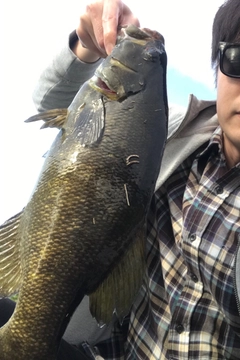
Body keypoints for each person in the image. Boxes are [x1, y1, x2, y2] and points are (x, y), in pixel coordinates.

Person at [1, 0, 240, 358]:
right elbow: (48, 102)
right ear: (217, 68)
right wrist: (86, 49)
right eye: (238, 59)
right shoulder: (171, 128)